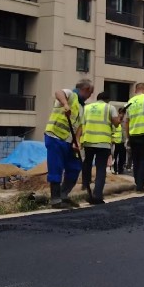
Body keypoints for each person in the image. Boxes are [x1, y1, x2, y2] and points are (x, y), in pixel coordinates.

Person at [45, 79, 94, 208]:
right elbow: (58, 92)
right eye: (90, 93)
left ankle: (63, 195)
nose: (90, 96)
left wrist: (76, 141)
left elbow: (79, 126)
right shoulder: (71, 95)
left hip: (69, 141)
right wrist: (65, 104)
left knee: (75, 166)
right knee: (56, 167)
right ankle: (55, 199)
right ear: (86, 89)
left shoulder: (82, 107)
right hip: (55, 136)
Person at [81, 92, 125, 205]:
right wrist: (120, 118)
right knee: (101, 169)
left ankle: (85, 189)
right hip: (103, 143)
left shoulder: (87, 107)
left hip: (88, 140)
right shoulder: (110, 107)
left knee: (87, 164)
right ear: (107, 100)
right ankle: (97, 195)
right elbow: (116, 124)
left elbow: (82, 123)